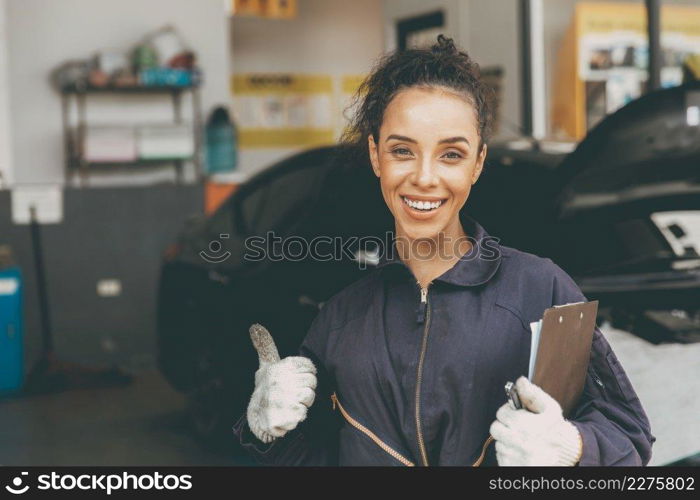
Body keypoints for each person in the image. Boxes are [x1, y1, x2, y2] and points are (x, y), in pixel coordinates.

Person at [231, 35, 655, 466]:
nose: (425, 177)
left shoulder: (541, 290)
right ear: (376, 156)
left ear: (478, 163)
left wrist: (574, 449)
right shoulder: (340, 315)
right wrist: (264, 428)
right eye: (402, 151)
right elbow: (311, 460)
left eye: (451, 154)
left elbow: (629, 438)